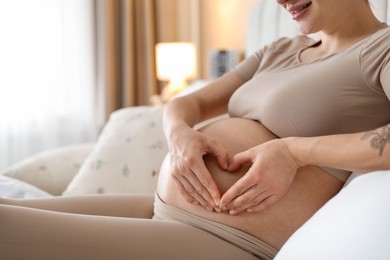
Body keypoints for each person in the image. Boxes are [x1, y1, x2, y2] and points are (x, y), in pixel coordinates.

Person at [1, 0, 389, 259]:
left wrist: (294, 152)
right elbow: (189, 103)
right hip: (164, 209)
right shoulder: (280, 50)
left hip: (228, 238)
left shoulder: (381, 48)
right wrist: (179, 133)